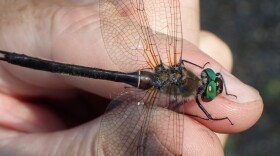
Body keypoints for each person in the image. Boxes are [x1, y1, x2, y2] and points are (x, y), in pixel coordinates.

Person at [0, 0, 263, 155]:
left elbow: (184, 62)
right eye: (209, 78)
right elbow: (204, 113)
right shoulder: (183, 97)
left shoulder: (179, 68)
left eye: (208, 87)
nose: (208, 83)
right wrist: (220, 116)